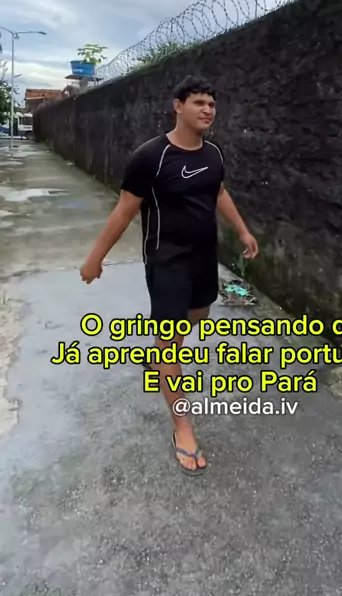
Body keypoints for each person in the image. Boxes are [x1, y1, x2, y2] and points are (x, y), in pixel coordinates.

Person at [80, 75, 258, 474]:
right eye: (199, 102)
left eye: (212, 104)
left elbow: (218, 192)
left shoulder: (213, 152)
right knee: (171, 345)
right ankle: (183, 427)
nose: (208, 110)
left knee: (199, 314)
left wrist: (243, 231)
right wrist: (95, 258)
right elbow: (123, 211)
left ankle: (161, 348)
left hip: (204, 257)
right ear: (178, 106)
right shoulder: (151, 157)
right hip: (167, 261)